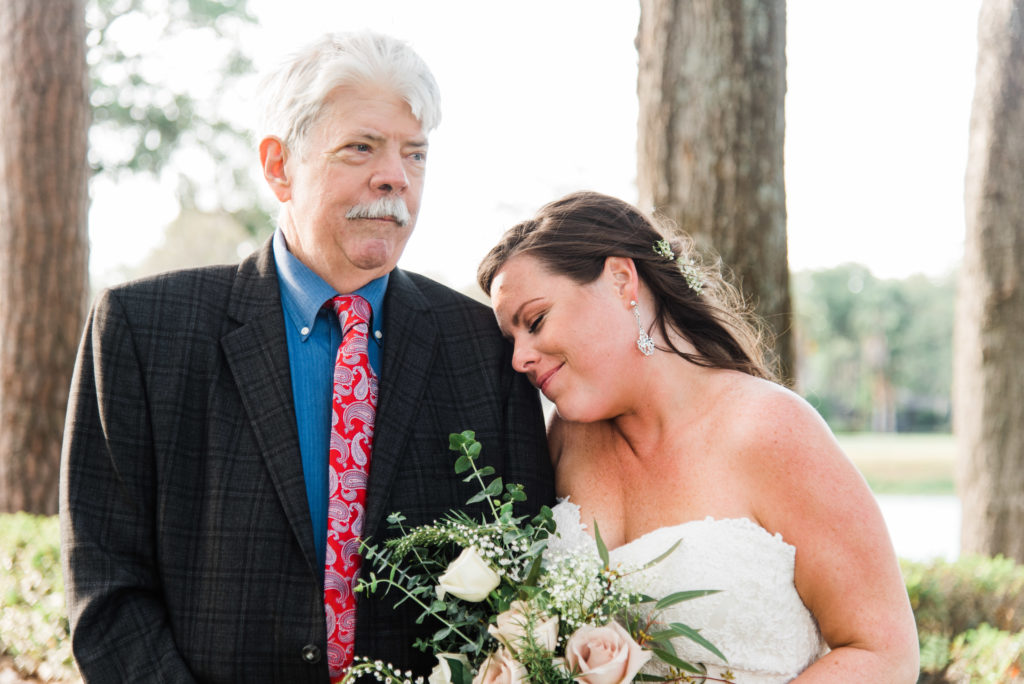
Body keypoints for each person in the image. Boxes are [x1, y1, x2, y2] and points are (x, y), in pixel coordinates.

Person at [59, 32, 552, 683]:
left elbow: (528, 574)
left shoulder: (483, 347)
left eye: (415, 154)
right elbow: (107, 589)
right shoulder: (142, 329)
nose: (396, 177)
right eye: (361, 146)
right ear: (277, 166)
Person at [477, 191, 920, 682]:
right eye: (512, 340)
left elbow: (885, 655)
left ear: (622, 279)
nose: (520, 358)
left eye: (535, 322)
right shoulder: (567, 439)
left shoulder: (770, 429)